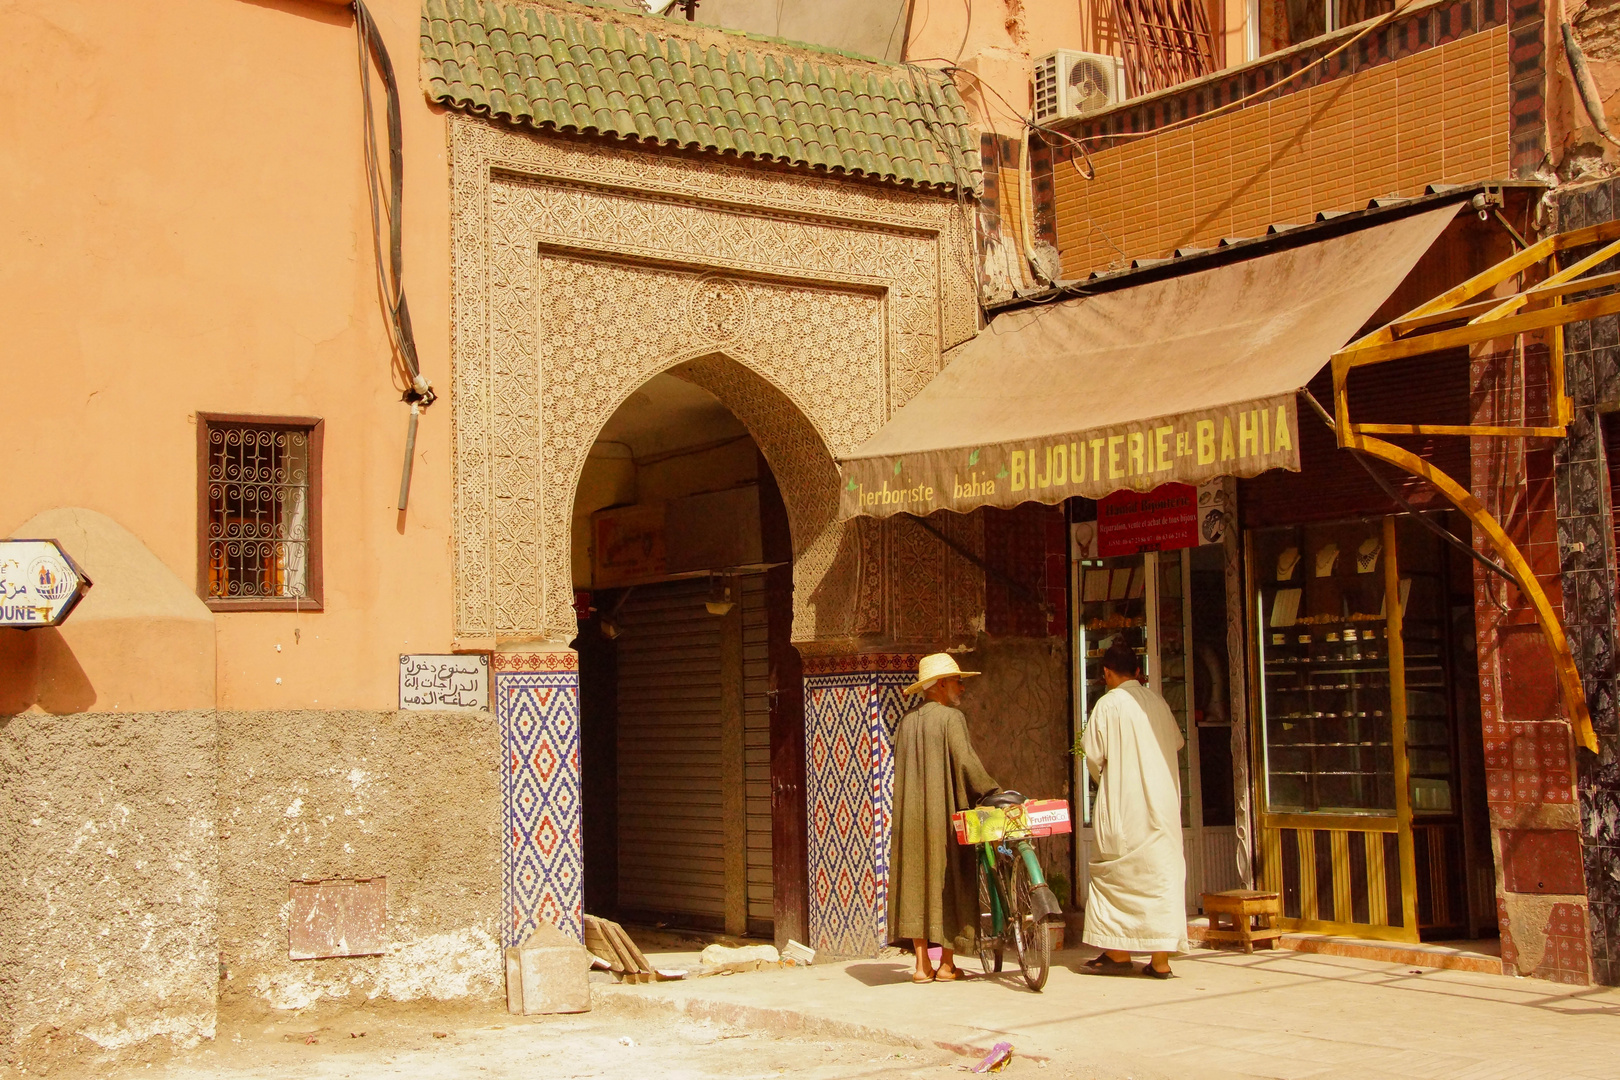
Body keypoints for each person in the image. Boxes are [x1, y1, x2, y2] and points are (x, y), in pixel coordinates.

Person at [887, 652, 1002, 984]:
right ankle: (948, 965)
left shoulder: (907, 722)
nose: (961, 688)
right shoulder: (952, 719)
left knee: (915, 883)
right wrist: (992, 792)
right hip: (943, 818)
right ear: (938, 686)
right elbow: (967, 763)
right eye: (957, 681)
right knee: (950, 881)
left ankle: (921, 966)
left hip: (910, 820)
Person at [1081, 640, 1188, 978]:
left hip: (1124, 806)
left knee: (1116, 877)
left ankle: (1118, 953)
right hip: (1163, 806)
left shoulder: (1108, 705)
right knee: (1161, 878)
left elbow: (1094, 758)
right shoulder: (1156, 702)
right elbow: (1176, 743)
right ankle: (1160, 961)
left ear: (1107, 673)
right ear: (1139, 672)